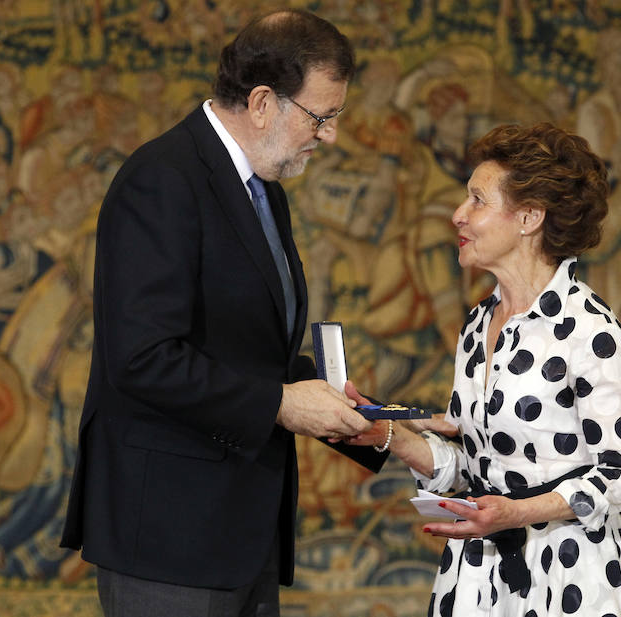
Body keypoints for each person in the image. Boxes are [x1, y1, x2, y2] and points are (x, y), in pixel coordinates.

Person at [60, 10, 386, 617]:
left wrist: (371, 419)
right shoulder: (162, 179)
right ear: (263, 102)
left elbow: (249, 350)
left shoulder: (264, 188)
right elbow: (142, 357)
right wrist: (285, 403)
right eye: (322, 117)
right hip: (169, 539)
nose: (330, 135)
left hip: (240, 531)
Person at [347, 122, 621, 616]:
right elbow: (471, 463)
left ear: (529, 217)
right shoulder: (479, 322)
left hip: (568, 577)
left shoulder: (589, 329)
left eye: (478, 201)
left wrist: (517, 512)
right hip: (480, 579)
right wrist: (388, 436)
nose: (458, 215)